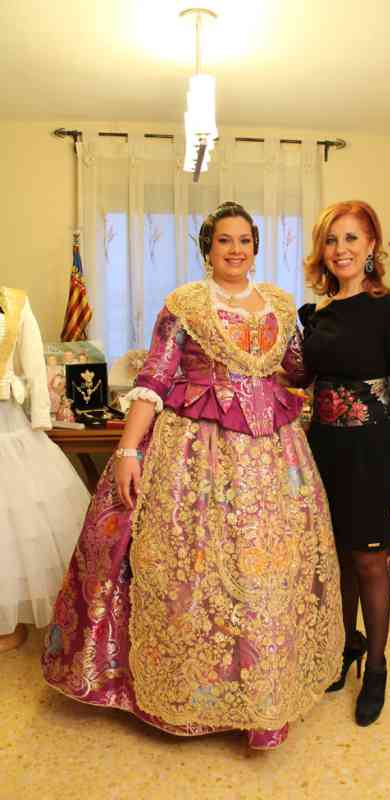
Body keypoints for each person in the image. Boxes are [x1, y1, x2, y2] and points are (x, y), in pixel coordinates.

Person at [42, 202, 344, 750]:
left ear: (256, 247)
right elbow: (155, 378)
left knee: (267, 572)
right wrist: (128, 451)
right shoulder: (185, 305)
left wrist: (325, 328)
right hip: (197, 457)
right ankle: (196, 695)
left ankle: (264, 697)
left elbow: (297, 369)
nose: (235, 250)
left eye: (244, 240)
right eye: (224, 240)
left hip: (273, 458)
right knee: (197, 571)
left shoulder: (279, 304)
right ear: (208, 248)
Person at [298, 200, 390, 726]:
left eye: (351, 238)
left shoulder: (389, 311)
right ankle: (347, 646)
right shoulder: (316, 315)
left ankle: (377, 667)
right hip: (324, 449)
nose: (340, 249)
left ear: (371, 245)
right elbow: (298, 379)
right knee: (338, 559)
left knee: (370, 561)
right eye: (331, 240)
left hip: (372, 451)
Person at [0, 287, 90, 652]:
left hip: (6, 421)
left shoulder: (15, 302)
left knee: (15, 524)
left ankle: (6, 621)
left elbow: (35, 364)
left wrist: (40, 416)